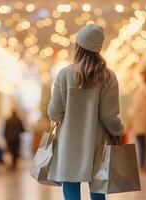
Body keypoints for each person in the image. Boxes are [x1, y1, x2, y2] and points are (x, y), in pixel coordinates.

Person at [47, 24, 124, 200]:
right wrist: (118, 130)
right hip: (98, 146)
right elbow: (109, 116)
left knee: (71, 194)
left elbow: (54, 114)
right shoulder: (108, 77)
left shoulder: (65, 75)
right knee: (98, 194)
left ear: (79, 46)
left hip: (69, 145)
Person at [127, 70, 146, 173]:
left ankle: (143, 165)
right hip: (143, 123)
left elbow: (133, 111)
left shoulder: (139, 93)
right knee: (143, 145)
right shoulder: (145, 93)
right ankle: (144, 165)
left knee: (142, 145)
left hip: (139, 123)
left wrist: (129, 123)